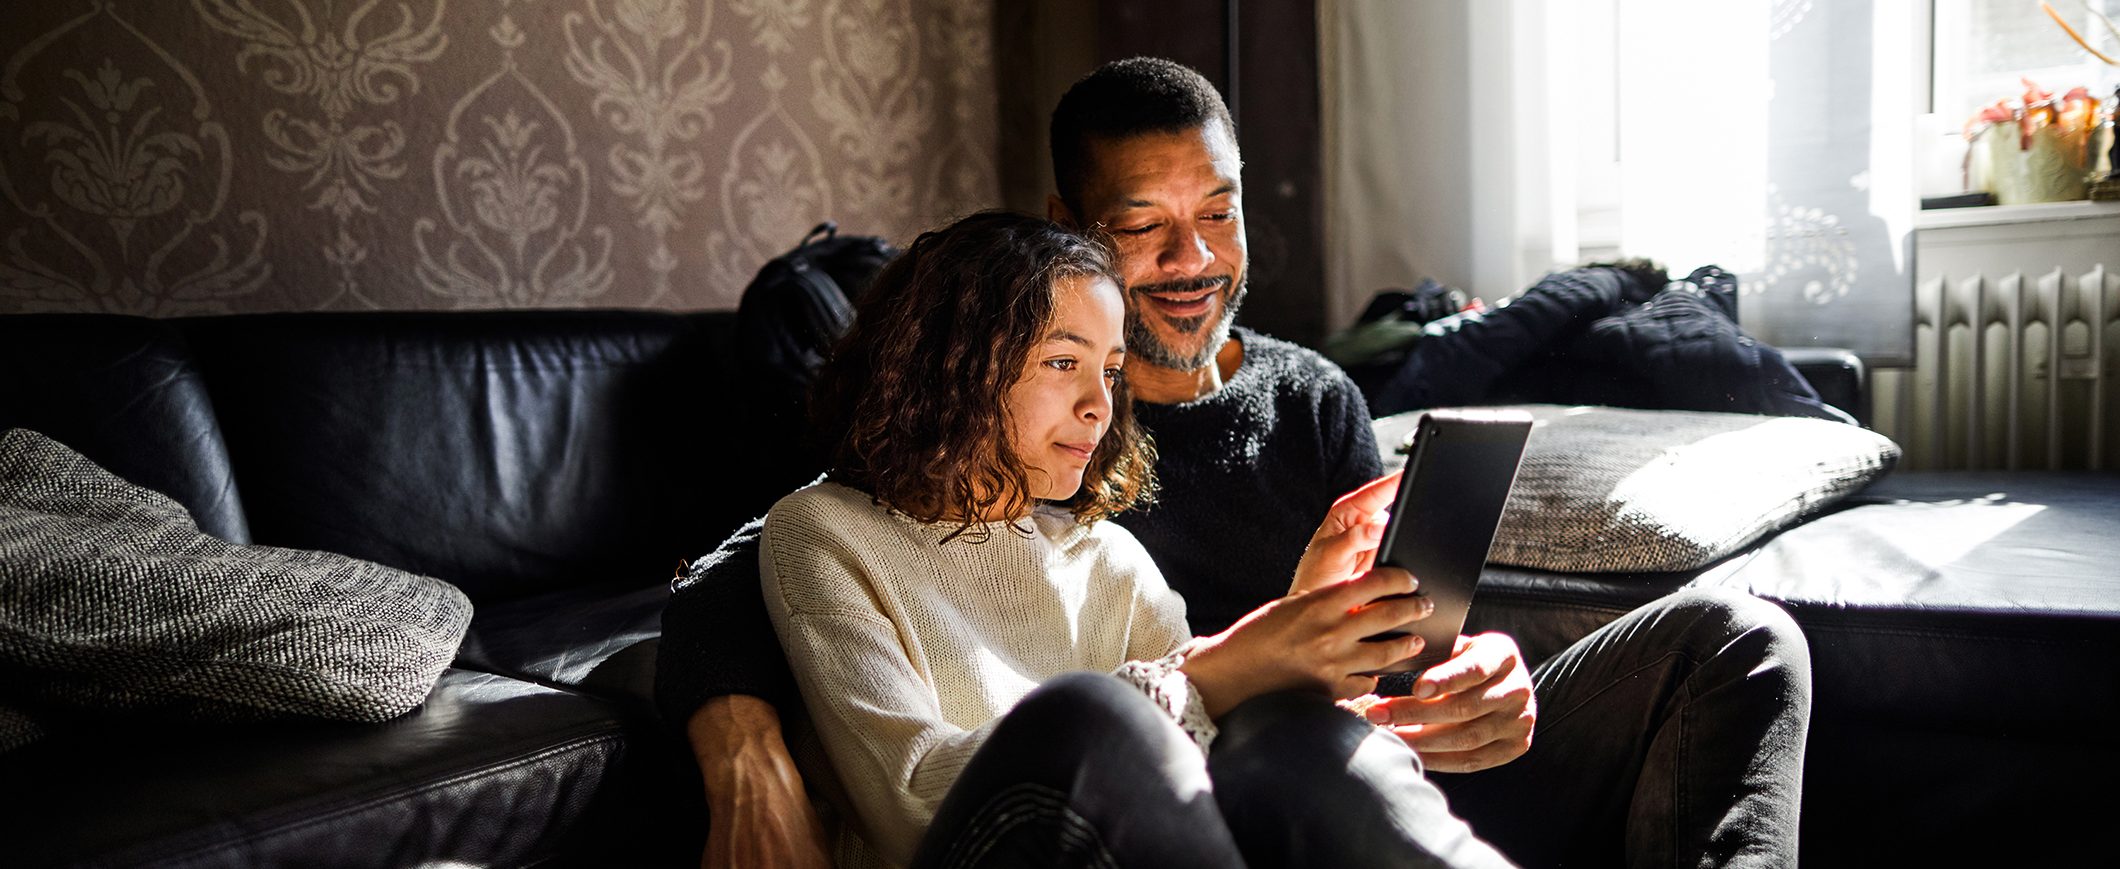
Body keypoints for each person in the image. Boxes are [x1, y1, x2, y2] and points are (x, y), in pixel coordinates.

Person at [659, 57, 1812, 868]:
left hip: (1352, 762)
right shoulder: (984, 439)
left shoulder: (1303, 404)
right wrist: (739, 737)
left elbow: (1390, 645)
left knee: (1734, 633)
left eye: (1217, 213)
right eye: (1142, 225)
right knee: (1257, 731)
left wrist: (1473, 670)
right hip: (1212, 774)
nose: (1191, 258)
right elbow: (762, 548)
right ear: (1069, 227)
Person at [761, 209, 1511, 867]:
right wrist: (1213, 671)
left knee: (1286, 736)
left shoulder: (1110, 557)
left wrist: (1310, 643)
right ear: (950, 363)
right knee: (1087, 717)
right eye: (1063, 362)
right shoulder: (823, 532)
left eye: (1111, 370)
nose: (1098, 404)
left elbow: (1219, 766)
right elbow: (912, 803)